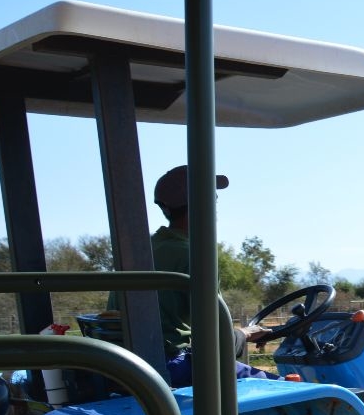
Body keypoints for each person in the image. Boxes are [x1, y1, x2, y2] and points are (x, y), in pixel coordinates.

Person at [113, 165, 278, 387]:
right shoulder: (194, 255)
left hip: (127, 365)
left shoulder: (144, 249)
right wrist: (244, 334)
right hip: (173, 367)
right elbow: (213, 341)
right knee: (297, 394)